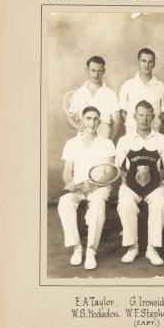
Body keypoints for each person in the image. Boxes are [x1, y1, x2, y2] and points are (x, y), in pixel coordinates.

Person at [57, 106, 116, 270]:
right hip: (77, 186)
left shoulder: (107, 143)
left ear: (99, 121)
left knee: (97, 204)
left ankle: (91, 250)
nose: (92, 122)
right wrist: (69, 183)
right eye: (89, 118)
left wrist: (94, 184)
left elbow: (110, 172)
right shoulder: (71, 143)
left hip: (100, 186)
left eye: (96, 119)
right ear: (82, 120)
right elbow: (67, 170)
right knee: (64, 202)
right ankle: (77, 247)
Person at [115, 100, 164, 266]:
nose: (144, 119)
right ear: (134, 116)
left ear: (154, 117)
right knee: (125, 203)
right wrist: (127, 177)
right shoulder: (124, 140)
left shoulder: (163, 139)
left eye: (148, 115)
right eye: (141, 115)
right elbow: (117, 167)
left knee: (161, 203)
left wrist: (155, 178)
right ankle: (132, 247)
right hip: (130, 185)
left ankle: (152, 248)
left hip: (155, 185)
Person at [67, 56, 121, 141]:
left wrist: (110, 141)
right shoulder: (78, 93)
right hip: (83, 138)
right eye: (93, 71)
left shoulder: (111, 94)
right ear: (87, 69)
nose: (96, 75)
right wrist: (79, 127)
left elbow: (117, 120)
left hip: (104, 135)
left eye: (99, 71)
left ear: (104, 71)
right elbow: (69, 118)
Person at [119, 48, 164, 133]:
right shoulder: (127, 85)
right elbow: (123, 112)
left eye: (150, 61)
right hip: (132, 134)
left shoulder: (161, 86)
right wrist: (132, 124)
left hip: (154, 133)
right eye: (143, 61)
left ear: (154, 64)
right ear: (138, 62)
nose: (147, 64)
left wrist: (156, 122)